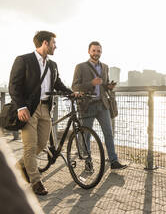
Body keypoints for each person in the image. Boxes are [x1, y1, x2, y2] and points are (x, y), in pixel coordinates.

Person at [9, 31, 72, 195]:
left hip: (46, 108)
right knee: (30, 146)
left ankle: (18, 166)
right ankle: (36, 182)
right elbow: (14, 86)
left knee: (42, 144)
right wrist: (20, 107)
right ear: (45, 43)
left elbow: (58, 83)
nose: (55, 46)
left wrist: (71, 93)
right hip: (29, 109)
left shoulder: (53, 65)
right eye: (53, 43)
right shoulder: (23, 60)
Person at [72, 41, 127, 170]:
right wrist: (91, 83)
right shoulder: (80, 67)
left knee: (108, 133)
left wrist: (109, 86)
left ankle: (113, 161)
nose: (96, 53)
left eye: (99, 51)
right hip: (87, 106)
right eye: (94, 51)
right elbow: (75, 86)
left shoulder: (105, 67)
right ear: (89, 51)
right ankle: (88, 162)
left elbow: (104, 85)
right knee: (86, 135)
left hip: (102, 105)